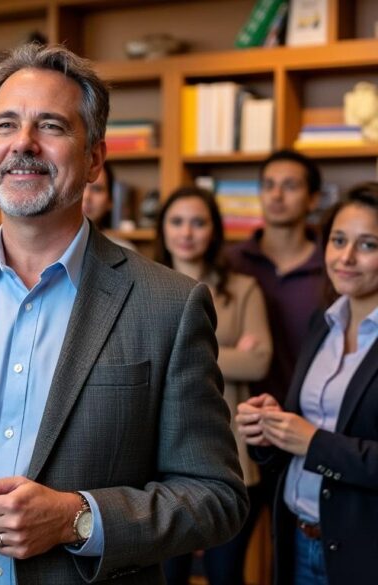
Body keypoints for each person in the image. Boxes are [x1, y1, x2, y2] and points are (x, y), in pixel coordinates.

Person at [0, 43, 247, 585]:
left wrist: (76, 519)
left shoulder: (168, 305)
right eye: (5, 124)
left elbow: (216, 496)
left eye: (51, 126)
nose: (23, 145)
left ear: (95, 158)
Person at [236, 182, 378, 585]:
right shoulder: (323, 324)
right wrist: (270, 431)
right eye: (338, 241)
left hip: (363, 551)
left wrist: (312, 441)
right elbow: (301, 436)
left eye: (368, 245)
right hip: (298, 539)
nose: (346, 257)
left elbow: (315, 440)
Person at [154, 187, 273, 585]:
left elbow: (259, 359)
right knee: (165, 575)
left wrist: (172, 351)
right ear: (163, 228)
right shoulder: (141, 285)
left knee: (226, 574)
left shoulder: (243, 289)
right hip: (155, 455)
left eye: (199, 222)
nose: (186, 232)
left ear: (214, 231)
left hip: (230, 450)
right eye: (176, 221)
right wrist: (227, 351)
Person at [226, 149, 327, 405]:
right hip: (241, 415)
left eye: (290, 186)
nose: (276, 195)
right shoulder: (230, 263)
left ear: (313, 199)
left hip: (311, 417)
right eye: (268, 185)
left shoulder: (333, 267)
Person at [81, 161, 136, 250]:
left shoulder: (125, 252)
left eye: (97, 189)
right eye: (81, 186)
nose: (86, 196)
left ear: (111, 200)